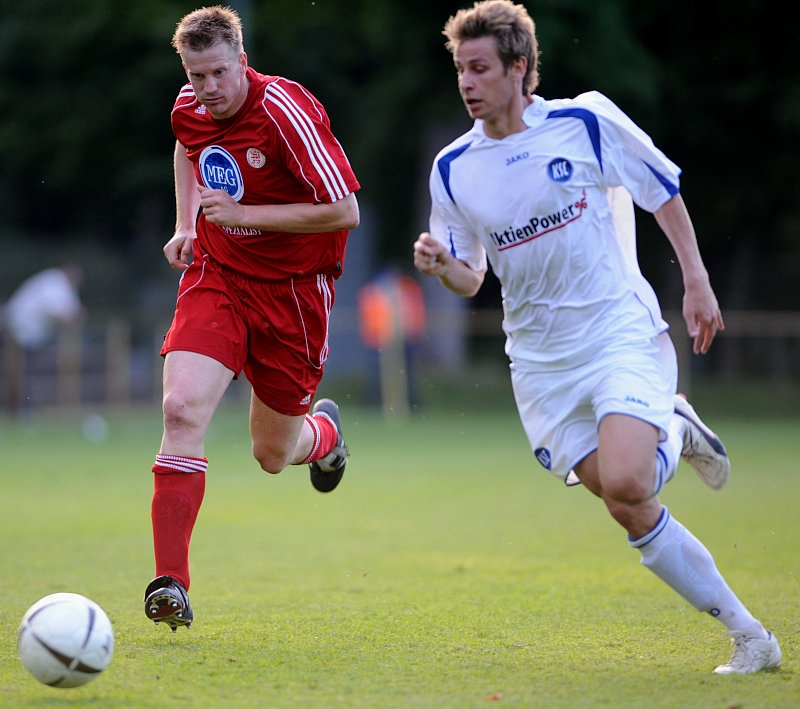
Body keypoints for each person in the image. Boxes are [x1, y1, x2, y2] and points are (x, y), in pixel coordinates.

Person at [413, 0, 780, 674]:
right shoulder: (453, 168)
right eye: (460, 68)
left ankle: (670, 427)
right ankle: (750, 631)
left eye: (481, 68)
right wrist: (445, 268)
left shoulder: (583, 121)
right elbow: (471, 280)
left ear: (519, 68)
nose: (467, 82)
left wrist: (696, 280)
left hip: (615, 332)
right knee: (623, 501)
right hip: (540, 362)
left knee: (630, 473)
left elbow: (663, 190)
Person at [144, 5, 360, 632]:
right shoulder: (190, 105)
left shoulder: (283, 111)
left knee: (272, 454)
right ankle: (170, 585)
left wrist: (245, 215)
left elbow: (344, 211)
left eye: (217, 73)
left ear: (241, 60)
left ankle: (324, 438)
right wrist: (189, 224)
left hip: (293, 294)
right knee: (180, 409)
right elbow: (187, 146)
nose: (206, 89)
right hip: (217, 276)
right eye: (194, 74)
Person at [2, 264, 84, 413]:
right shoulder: (54, 283)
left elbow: (73, 313)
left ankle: (25, 406)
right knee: (20, 372)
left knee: (28, 372)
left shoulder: (66, 287)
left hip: (32, 336)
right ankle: (18, 408)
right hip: (19, 331)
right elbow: (59, 314)